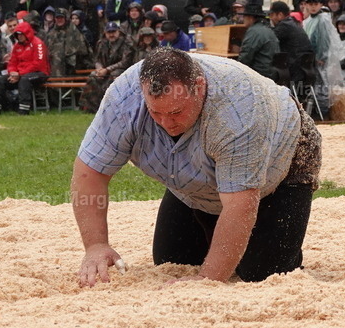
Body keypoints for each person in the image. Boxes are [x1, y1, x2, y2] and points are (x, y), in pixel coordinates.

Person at [72, 48, 322, 286]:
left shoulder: (237, 110)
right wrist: (95, 246)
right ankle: (212, 223)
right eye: (155, 113)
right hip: (197, 176)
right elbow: (90, 171)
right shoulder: (123, 99)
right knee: (173, 262)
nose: (166, 123)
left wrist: (208, 279)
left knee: (262, 272)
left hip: (282, 161)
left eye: (176, 112)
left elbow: (240, 205)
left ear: (199, 87)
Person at [0, 20, 50, 115]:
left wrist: (19, 74)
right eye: (17, 34)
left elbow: (38, 64)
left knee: (24, 80)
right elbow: (12, 62)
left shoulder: (38, 44)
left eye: (21, 34)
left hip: (40, 73)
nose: (19, 36)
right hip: (20, 74)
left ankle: (23, 110)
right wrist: (13, 73)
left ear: (27, 33)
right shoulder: (17, 46)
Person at [80, 21, 133, 113]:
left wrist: (107, 70)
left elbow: (125, 62)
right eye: (109, 32)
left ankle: (111, 107)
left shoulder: (126, 42)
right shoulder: (101, 43)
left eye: (113, 32)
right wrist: (99, 69)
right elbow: (97, 59)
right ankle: (91, 107)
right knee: (93, 75)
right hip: (104, 70)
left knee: (113, 76)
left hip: (121, 71)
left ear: (118, 32)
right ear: (105, 33)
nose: (111, 34)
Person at [268, 0, 315, 90]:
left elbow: (269, 39)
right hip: (305, 71)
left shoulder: (284, 26)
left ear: (280, 15)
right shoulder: (293, 23)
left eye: (271, 15)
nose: (270, 18)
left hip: (294, 71)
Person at [237, 4, 280, 81]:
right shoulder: (268, 30)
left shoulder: (254, 31)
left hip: (260, 74)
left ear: (251, 18)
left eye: (245, 16)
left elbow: (245, 57)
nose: (243, 19)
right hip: (272, 73)